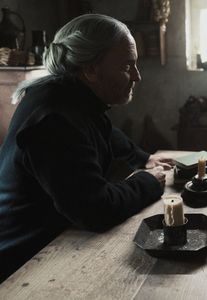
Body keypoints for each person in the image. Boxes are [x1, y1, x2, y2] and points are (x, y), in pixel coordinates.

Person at [0, 14, 172, 282]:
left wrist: (144, 158)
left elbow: (103, 130)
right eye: (128, 66)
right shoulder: (53, 120)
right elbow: (97, 209)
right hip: (25, 260)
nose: (137, 76)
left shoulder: (70, 95)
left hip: (58, 239)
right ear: (91, 69)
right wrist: (147, 181)